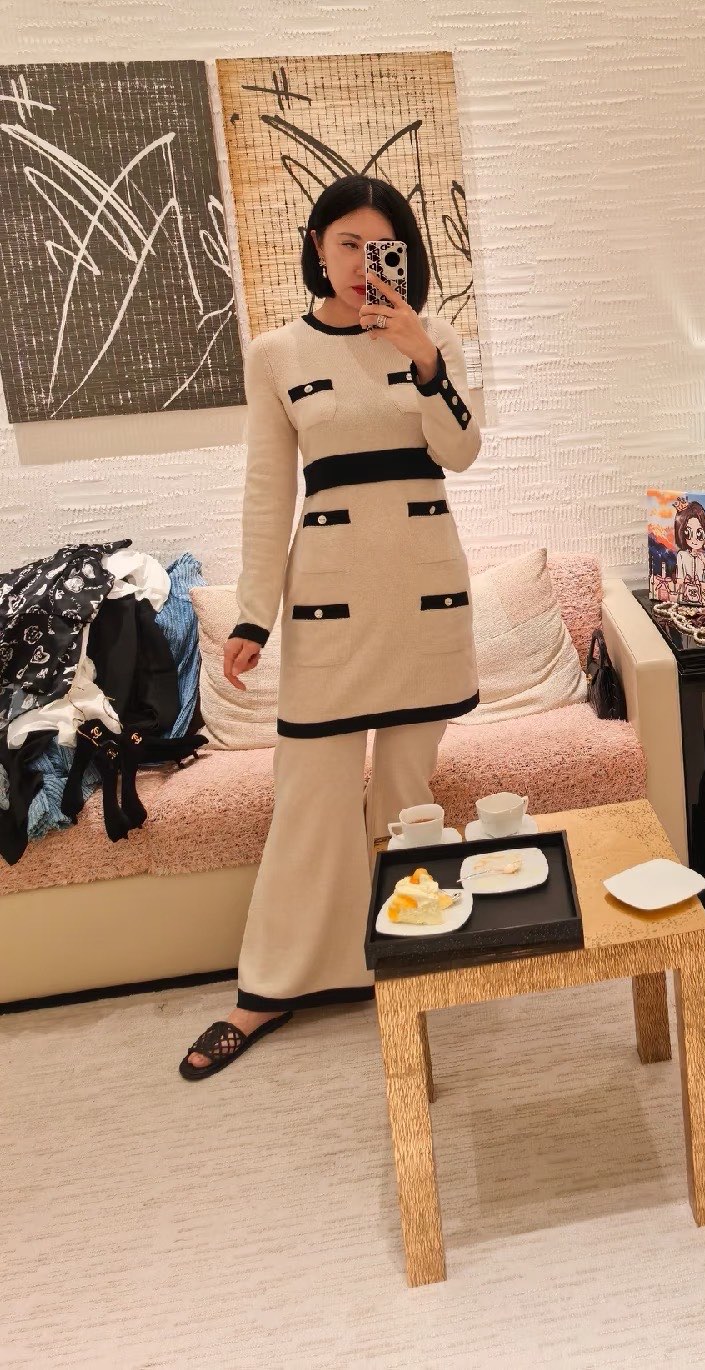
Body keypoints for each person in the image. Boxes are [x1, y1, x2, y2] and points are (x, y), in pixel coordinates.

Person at [180, 176, 481, 1078]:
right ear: (317, 246)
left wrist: (423, 359)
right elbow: (267, 493)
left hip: (425, 598)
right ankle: (267, 988)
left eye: (382, 247)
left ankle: (407, 959)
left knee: (408, 797)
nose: (362, 263)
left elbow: (461, 451)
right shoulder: (276, 353)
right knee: (309, 798)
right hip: (329, 606)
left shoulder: (433, 339)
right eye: (347, 243)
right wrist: (252, 615)